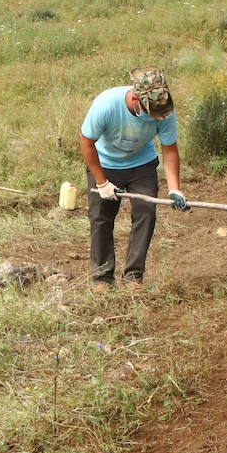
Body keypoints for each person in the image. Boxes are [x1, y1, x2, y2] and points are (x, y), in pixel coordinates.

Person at [79, 67, 189, 292]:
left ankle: (133, 277)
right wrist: (101, 182)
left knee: (146, 212)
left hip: (141, 165)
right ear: (134, 98)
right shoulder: (106, 104)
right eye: (149, 113)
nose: (154, 118)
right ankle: (102, 278)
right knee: (101, 217)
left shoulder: (164, 109)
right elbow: (86, 143)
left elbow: (169, 151)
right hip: (105, 164)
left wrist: (175, 189)